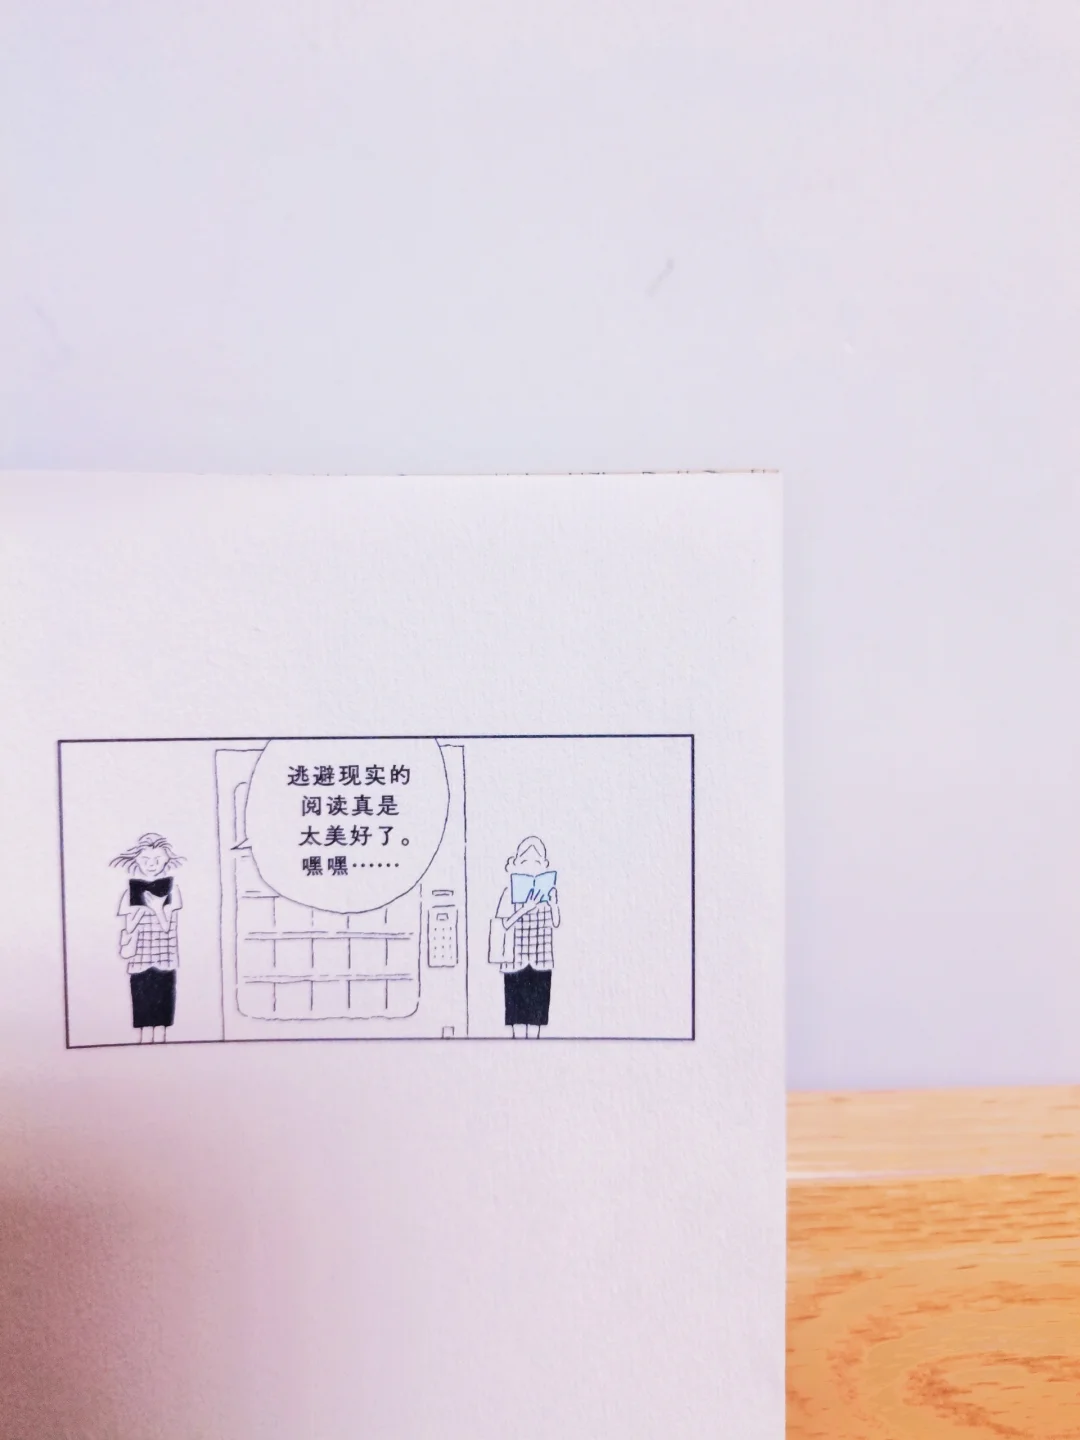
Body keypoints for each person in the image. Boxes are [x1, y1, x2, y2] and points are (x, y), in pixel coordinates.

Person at [110, 833, 184, 1043]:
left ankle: (161, 1041)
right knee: (142, 1003)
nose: (151, 865)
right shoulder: (130, 892)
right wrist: (139, 912)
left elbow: (168, 927)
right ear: (136, 860)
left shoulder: (172, 889)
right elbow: (128, 928)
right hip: (140, 957)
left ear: (167, 860)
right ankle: (143, 1041)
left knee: (163, 1003)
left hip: (165, 956)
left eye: (158, 859)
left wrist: (157, 908)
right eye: (145, 860)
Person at [496, 836, 560, 1038]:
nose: (531, 866)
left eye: (537, 862)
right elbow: (504, 924)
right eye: (525, 861)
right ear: (516, 864)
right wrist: (525, 909)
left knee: (536, 1016)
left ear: (544, 865)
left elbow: (556, 922)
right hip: (515, 961)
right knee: (517, 1014)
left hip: (541, 960)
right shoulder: (509, 892)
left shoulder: (548, 893)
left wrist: (554, 905)